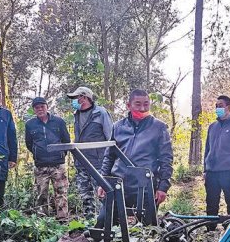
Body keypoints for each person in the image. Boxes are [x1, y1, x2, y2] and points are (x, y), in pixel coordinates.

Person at [96, 89, 173, 231]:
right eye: (138, 104)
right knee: (104, 223)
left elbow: (166, 159)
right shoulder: (118, 127)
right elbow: (109, 156)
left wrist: (163, 187)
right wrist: (103, 182)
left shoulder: (159, 127)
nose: (142, 108)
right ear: (128, 105)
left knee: (148, 229)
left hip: (145, 186)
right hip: (119, 183)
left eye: (146, 104)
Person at [67, 86, 113, 218]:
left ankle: (105, 221)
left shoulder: (100, 113)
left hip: (98, 163)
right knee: (85, 195)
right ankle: (89, 221)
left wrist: (110, 160)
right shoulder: (76, 114)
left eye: (76, 98)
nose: (74, 101)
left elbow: (111, 138)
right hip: (81, 161)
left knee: (101, 194)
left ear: (84, 98)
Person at [25, 97, 71, 221]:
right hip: (40, 165)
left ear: (47, 107)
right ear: (34, 109)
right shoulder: (30, 124)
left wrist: (60, 155)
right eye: (37, 107)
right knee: (41, 194)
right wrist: (38, 154)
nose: (40, 109)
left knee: (61, 192)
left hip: (58, 164)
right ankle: (43, 220)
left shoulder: (59, 122)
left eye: (42, 106)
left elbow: (66, 141)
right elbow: (29, 143)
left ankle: (62, 219)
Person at [203, 95, 230, 217]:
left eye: (221, 106)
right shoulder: (212, 127)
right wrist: (205, 169)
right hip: (211, 172)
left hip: (228, 171)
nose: (218, 108)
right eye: (216, 106)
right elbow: (207, 149)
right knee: (211, 202)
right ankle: (210, 226)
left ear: (228, 107)